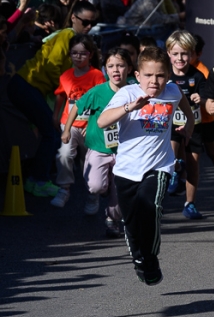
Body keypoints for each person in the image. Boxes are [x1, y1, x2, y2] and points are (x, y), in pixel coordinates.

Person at [95, 47, 195, 285]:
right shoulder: (127, 93)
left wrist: (188, 129)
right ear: (137, 75)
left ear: (168, 75)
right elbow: (102, 121)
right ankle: (139, 258)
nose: (154, 81)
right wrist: (130, 107)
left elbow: (187, 112)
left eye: (160, 75)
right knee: (131, 222)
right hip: (127, 170)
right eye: (148, 75)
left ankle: (150, 257)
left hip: (159, 166)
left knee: (150, 206)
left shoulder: (172, 91)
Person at [10, 0, 101, 198]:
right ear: (74, 18)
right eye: (85, 22)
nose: (89, 27)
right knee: (51, 133)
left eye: (92, 23)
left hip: (30, 87)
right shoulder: (68, 35)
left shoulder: (74, 40)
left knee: (50, 131)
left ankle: (38, 178)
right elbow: (52, 65)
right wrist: (67, 89)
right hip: (26, 84)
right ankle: (37, 180)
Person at [74, 48, 134, 236]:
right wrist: (69, 130)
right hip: (99, 146)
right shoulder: (98, 91)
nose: (116, 70)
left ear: (129, 68)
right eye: (111, 66)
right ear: (105, 69)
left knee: (119, 190)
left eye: (120, 65)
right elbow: (79, 107)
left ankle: (112, 219)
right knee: (96, 186)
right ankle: (104, 187)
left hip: (124, 150)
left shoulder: (135, 91)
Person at [164, 30, 214, 218]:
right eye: (176, 54)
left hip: (193, 126)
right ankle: (177, 169)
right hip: (171, 125)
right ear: (169, 53)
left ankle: (190, 203)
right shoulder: (165, 75)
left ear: (191, 53)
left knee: (193, 165)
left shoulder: (198, 75)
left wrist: (199, 98)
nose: (180, 58)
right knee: (170, 156)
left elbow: (206, 97)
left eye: (184, 54)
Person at [51, 35, 104, 208]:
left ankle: (92, 195)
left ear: (90, 55)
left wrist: (94, 124)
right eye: (74, 53)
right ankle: (64, 188)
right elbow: (60, 95)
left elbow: (101, 101)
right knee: (64, 154)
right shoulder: (66, 76)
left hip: (90, 126)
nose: (78, 57)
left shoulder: (97, 75)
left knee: (88, 162)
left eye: (83, 53)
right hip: (70, 124)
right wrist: (55, 115)